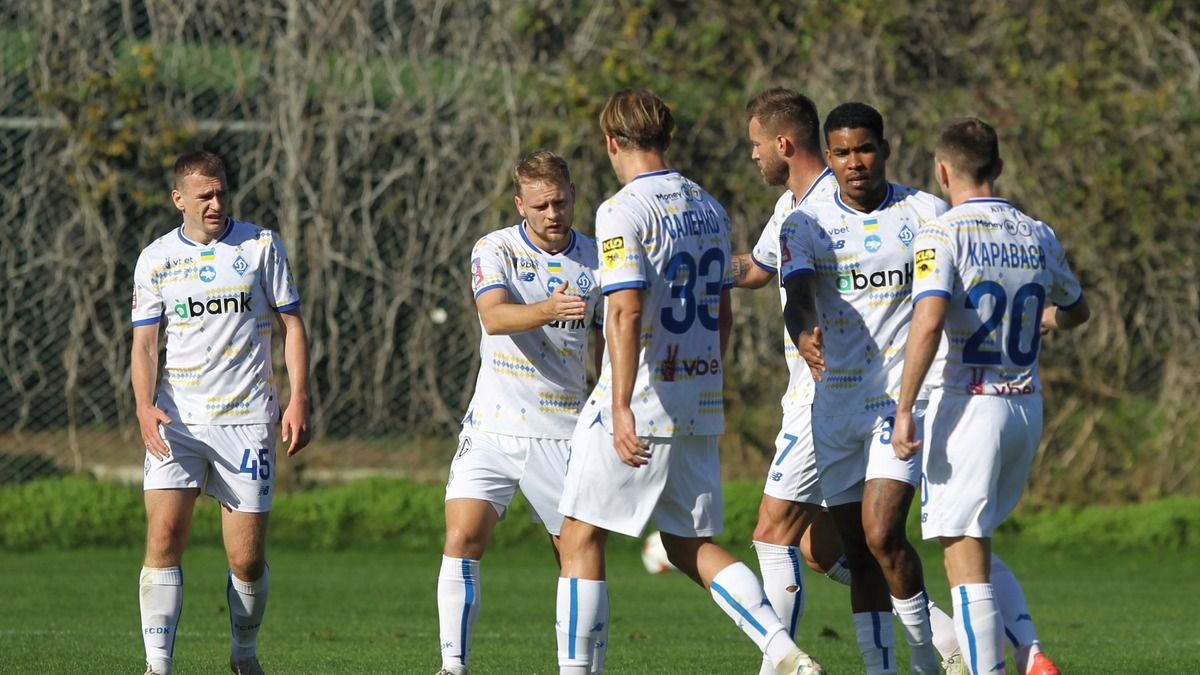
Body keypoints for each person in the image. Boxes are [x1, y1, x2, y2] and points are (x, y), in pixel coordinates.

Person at [553, 88, 824, 675]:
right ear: (667, 137)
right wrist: (706, 379)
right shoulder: (709, 207)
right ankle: (784, 652)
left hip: (643, 394)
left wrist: (619, 406)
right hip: (696, 396)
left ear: (612, 141)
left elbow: (624, 311)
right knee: (686, 544)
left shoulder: (621, 210)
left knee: (579, 536)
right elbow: (722, 309)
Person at [892, 117, 1086, 675]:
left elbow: (929, 322)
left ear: (942, 171)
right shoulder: (1037, 233)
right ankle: (1029, 652)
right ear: (998, 167)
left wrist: (904, 408)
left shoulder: (942, 232)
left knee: (962, 557)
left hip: (968, 404)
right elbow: (1078, 309)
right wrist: (1046, 319)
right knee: (977, 541)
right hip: (1025, 404)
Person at [779, 102, 948, 674]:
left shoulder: (925, 212)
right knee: (857, 549)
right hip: (835, 406)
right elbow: (797, 292)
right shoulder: (805, 222)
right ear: (829, 157)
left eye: (865, 149)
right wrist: (803, 330)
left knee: (882, 533)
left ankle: (925, 657)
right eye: (843, 153)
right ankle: (881, 668)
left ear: (885, 149)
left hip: (899, 402)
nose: (855, 162)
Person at [131, 151, 310, 675]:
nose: (215, 203)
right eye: (203, 195)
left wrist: (298, 397)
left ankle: (243, 655)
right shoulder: (156, 258)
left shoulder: (260, 245)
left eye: (221, 193)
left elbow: (292, 325)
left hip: (248, 420)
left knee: (246, 560)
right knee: (163, 540)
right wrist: (143, 406)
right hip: (177, 422)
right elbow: (145, 344)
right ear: (178, 199)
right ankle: (158, 665)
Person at [437, 151, 603, 675]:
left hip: (563, 430)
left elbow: (610, 337)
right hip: (492, 424)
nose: (553, 214)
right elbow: (493, 316)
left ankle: (580, 669)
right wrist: (549, 308)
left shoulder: (598, 258)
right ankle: (452, 666)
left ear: (573, 195)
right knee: (463, 536)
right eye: (540, 206)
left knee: (578, 553)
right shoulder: (496, 249)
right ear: (520, 205)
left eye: (560, 202)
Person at [732, 88, 846, 674]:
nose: (753, 155)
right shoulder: (788, 206)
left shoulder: (830, 207)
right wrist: (692, 264)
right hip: (812, 393)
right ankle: (952, 642)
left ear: (783, 142)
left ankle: (781, 667)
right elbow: (758, 270)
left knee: (772, 533)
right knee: (822, 549)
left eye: (756, 144)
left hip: (826, 393)